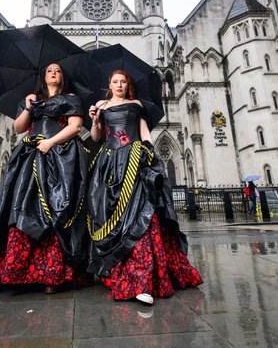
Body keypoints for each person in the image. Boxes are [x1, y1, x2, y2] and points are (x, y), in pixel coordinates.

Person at [86, 69, 202, 306]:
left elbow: (144, 133)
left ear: (128, 85)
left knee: (140, 218)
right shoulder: (100, 105)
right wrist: (95, 120)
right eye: (115, 81)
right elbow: (96, 137)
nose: (119, 85)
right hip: (109, 164)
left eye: (123, 81)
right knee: (110, 218)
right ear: (109, 84)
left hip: (134, 160)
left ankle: (141, 279)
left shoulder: (136, 104)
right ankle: (114, 269)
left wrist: (150, 153)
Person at [0, 63, 90, 296]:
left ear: (62, 76)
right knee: (17, 206)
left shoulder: (71, 99)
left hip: (59, 156)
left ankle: (53, 272)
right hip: (29, 156)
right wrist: (27, 107)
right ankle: (4, 271)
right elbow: (19, 128)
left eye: (58, 70)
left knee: (54, 210)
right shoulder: (32, 99)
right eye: (49, 70)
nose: (54, 73)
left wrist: (50, 142)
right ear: (44, 76)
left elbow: (75, 126)